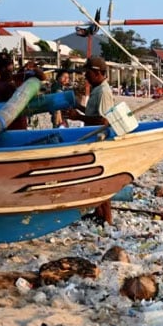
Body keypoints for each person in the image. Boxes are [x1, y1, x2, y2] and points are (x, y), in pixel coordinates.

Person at [64, 57, 115, 225]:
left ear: (98, 73)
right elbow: (93, 113)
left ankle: (106, 218)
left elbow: (103, 121)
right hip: (92, 137)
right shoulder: (97, 89)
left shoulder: (103, 92)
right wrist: (78, 107)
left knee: (100, 178)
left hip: (99, 140)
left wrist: (79, 116)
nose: (86, 76)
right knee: (94, 177)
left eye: (88, 73)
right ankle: (99, 213)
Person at [0, 51, 46, 130]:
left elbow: (42, 77)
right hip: (4, 128)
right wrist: (10, 90)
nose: (8, 68)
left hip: (21, 126)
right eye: (3, 67)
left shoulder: (20, 76)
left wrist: (34, 67)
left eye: (9, 65)